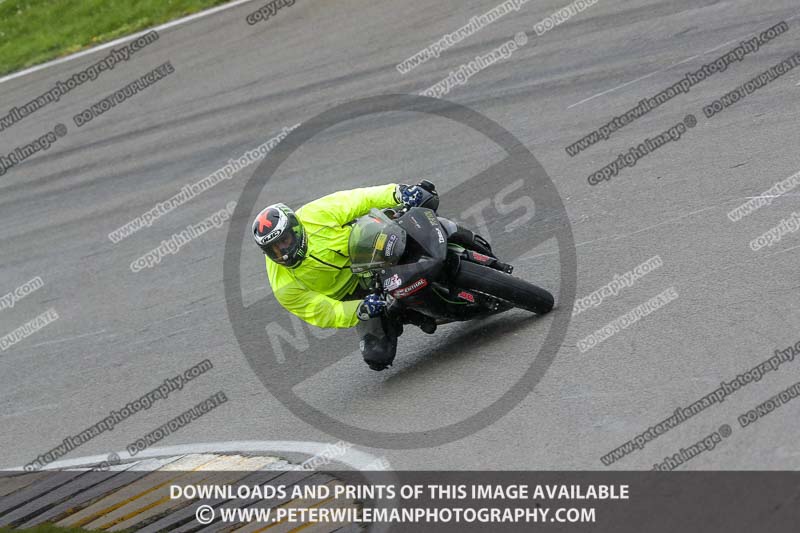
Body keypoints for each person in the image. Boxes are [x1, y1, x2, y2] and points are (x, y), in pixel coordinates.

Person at [253, 182, 495, 370]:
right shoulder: (283, 285)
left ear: (296, 229)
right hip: (357, 294)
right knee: (377, 357)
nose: (282, 252)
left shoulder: (316, 214)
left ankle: (465, 240)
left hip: (371, 250)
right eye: (273, 249)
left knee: (420, 211)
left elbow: (360, 198)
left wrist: (400, 193)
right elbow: (321, 311)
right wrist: (359, 309)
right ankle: (408, 312)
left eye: (284, 241)